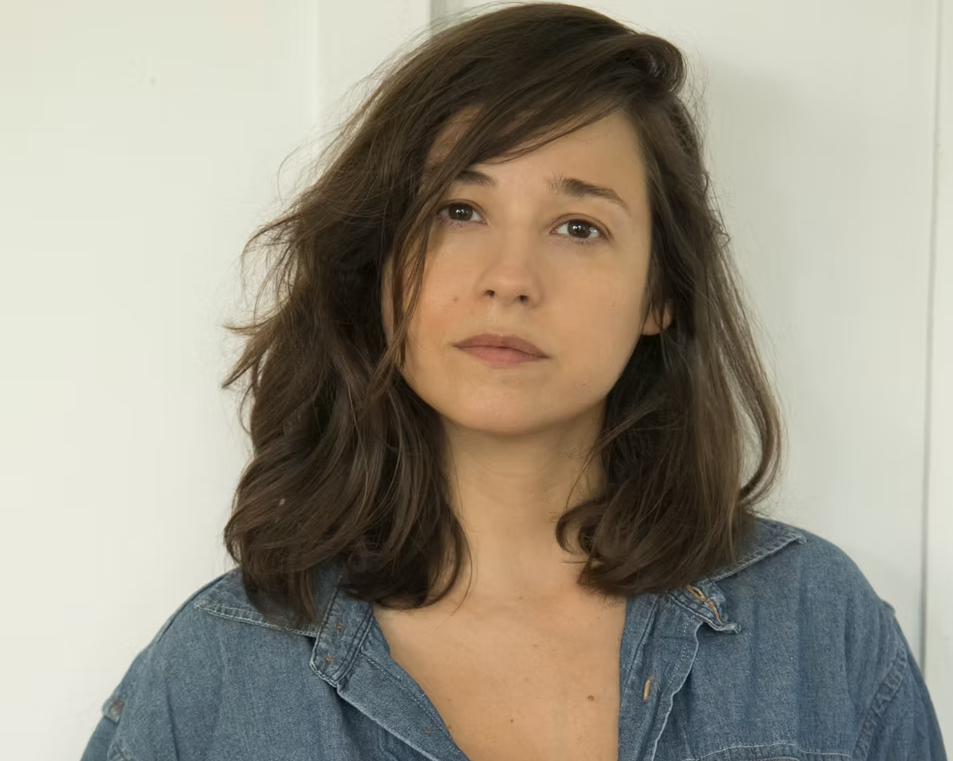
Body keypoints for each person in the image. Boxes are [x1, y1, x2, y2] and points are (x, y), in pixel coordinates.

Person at [80, 3, 947, 760]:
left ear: (660, 292)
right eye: (457, 211)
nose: (509, 278)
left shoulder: (813, 626)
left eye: (578, 226)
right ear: (379, 261)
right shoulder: (214, 674)